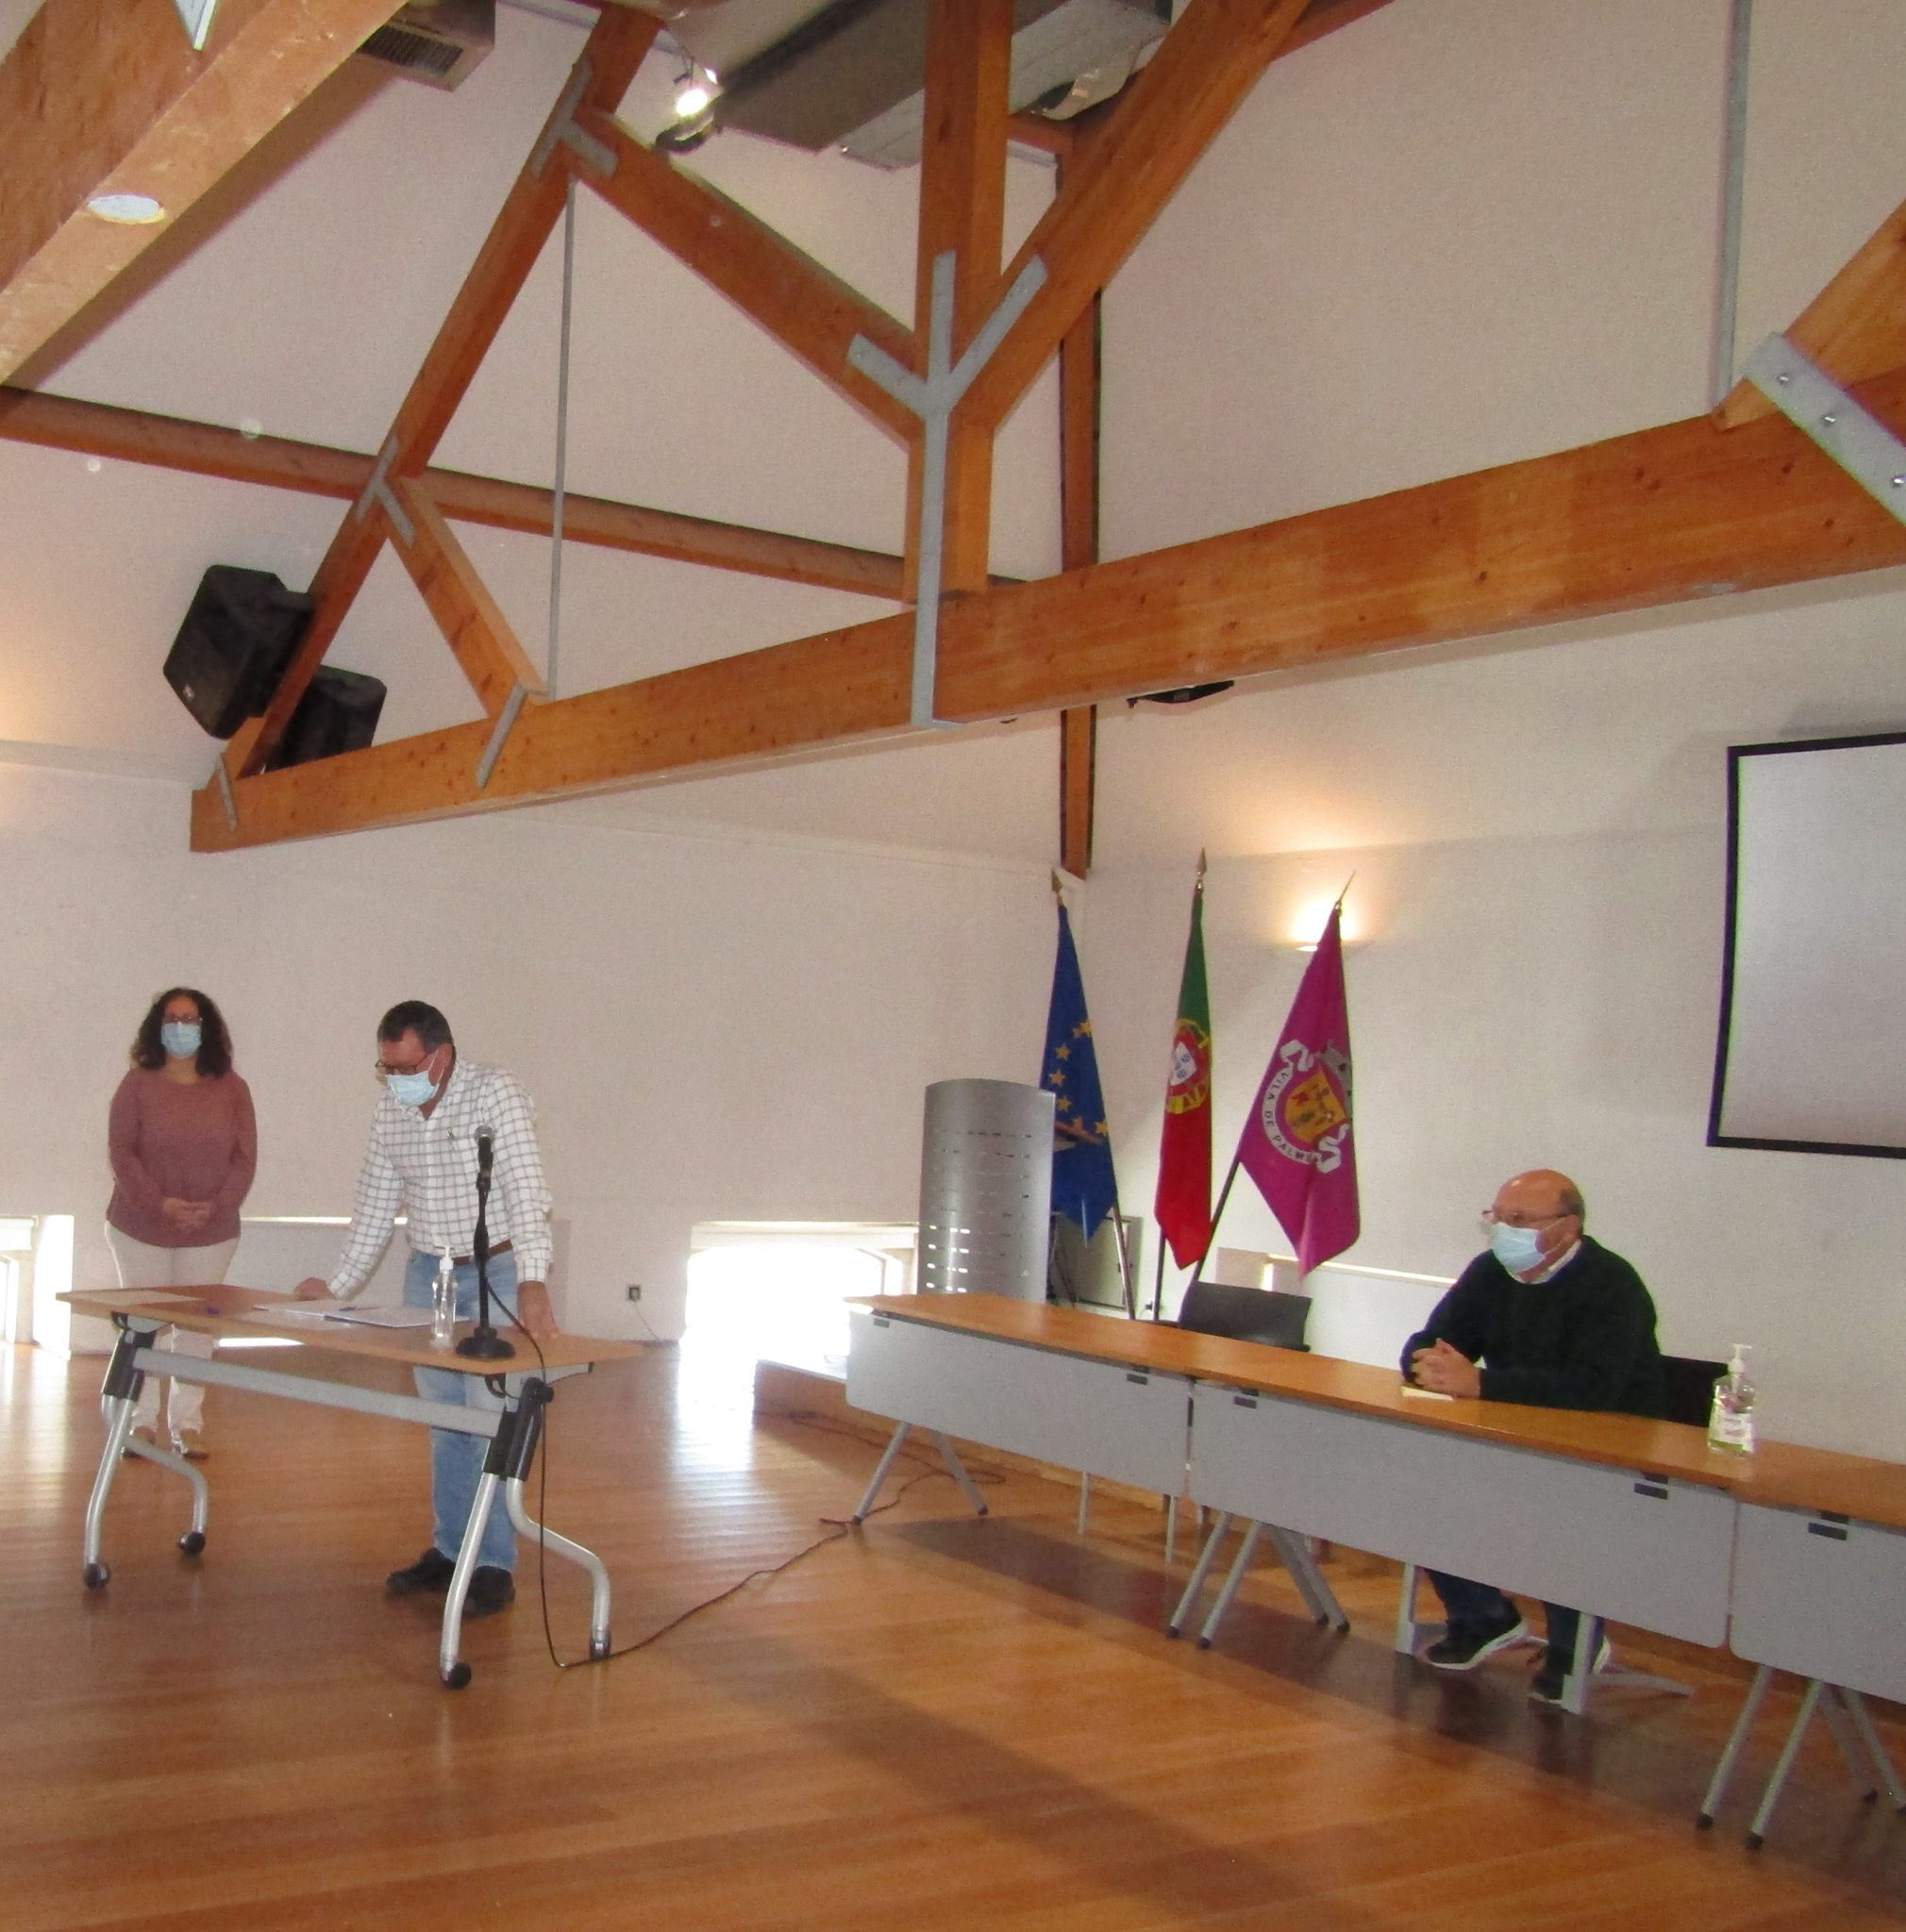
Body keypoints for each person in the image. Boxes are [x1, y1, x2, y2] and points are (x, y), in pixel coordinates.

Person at [295, 1001, 554, 1619]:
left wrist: (533, 1280)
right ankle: (451, 1549)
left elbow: (525, 1187)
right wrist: (336, 1286)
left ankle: (493, 1565)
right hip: (427, 1274)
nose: (395, 1080)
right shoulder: (392, 1110)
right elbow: (375, 1203)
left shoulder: (494, 1092)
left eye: (406, 1068)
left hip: (495, 1270)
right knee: (445, 1420)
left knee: (489, 1418)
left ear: (440, 1056)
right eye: (386, 1069)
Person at [1401, 1167, 1665, 1706]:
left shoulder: (1612, 1285)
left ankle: (1576, 1643)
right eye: (1497, 1217)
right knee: (1423, 1481)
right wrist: (1428, 1363)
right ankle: (1482, 1617)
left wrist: (1481, 1383)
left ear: (1568, 1227)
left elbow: (1594, 1389)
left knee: (1560, 1511)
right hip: (1515, 1434)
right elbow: (1432, 1341)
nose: (1504, 1231)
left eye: (1520, 1220)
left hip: (1606, 1451)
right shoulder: (1489, 1272)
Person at [106, 987, 258, 1458]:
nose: (181, 1028)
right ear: (157, 1026)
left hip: (211, 1231)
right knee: (144, 1324)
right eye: (172, 1019)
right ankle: (139, 1421)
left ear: (206, 1028)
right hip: (140, 1227)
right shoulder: (137, 1084)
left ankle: (187, 1423)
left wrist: (217, 1206)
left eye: (190, 1020)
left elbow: (244, 1160)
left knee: (196, 1328)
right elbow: (121, 1153)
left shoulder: (233, 1088)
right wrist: (159, 1204)